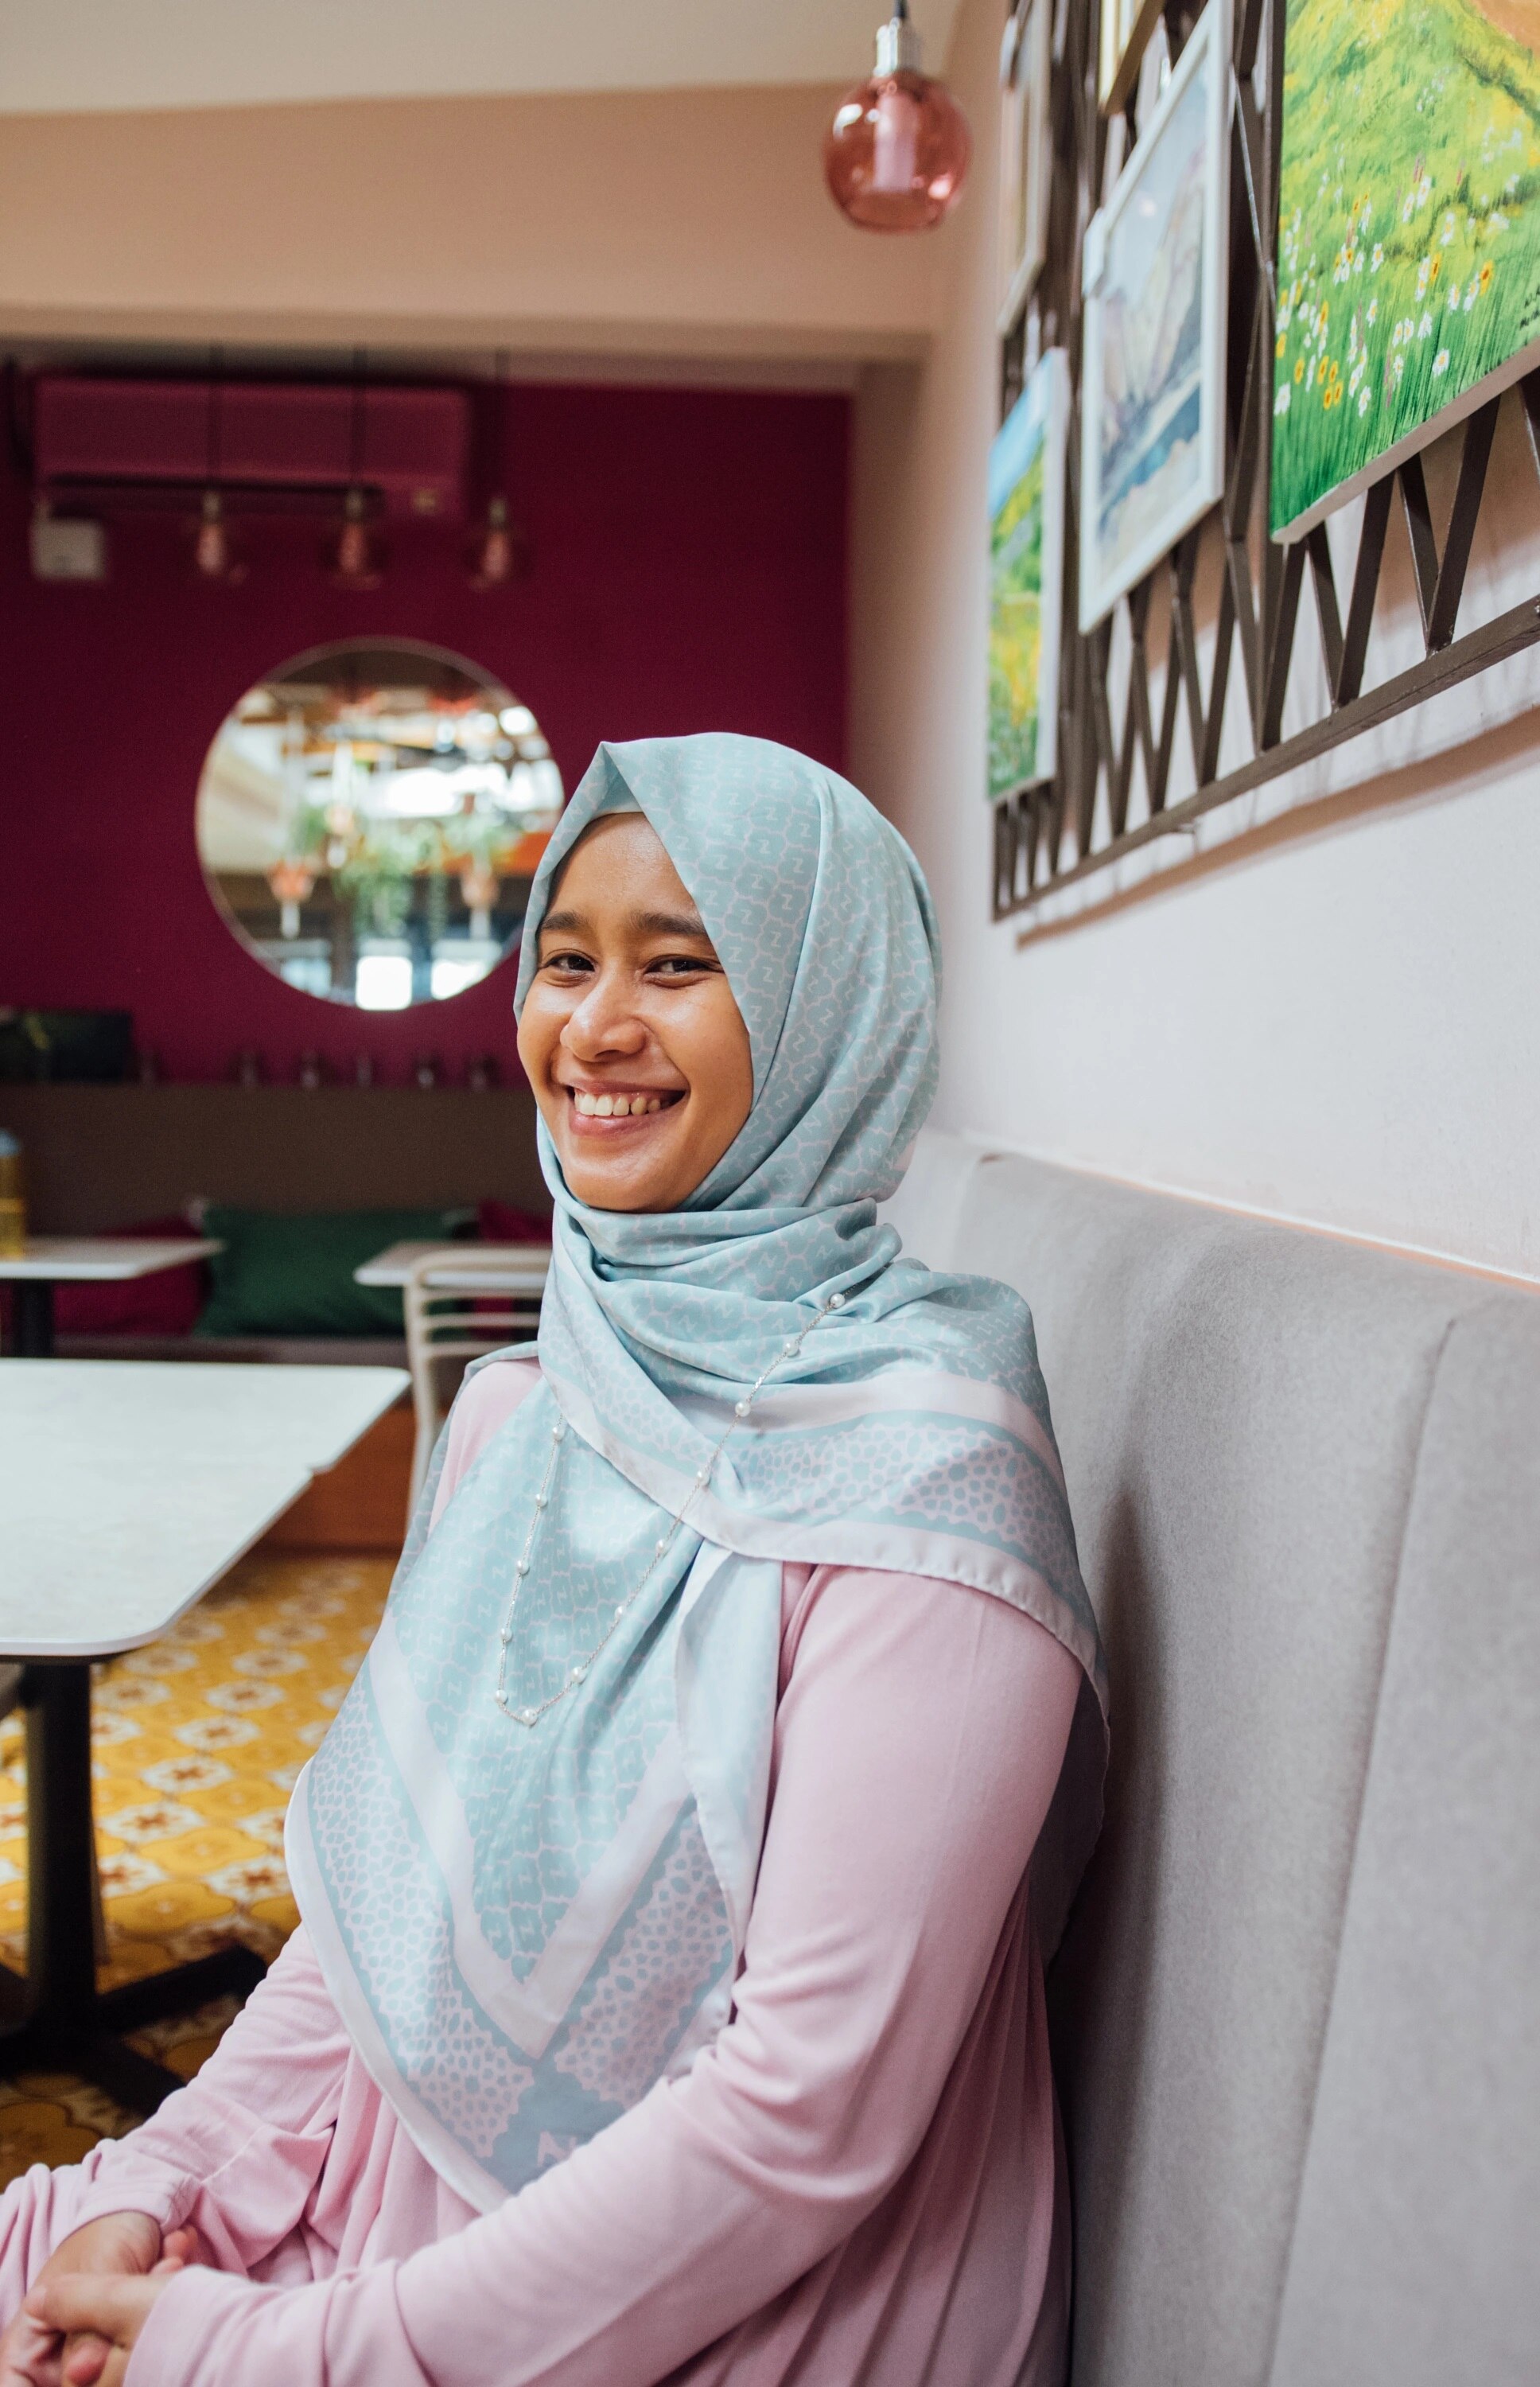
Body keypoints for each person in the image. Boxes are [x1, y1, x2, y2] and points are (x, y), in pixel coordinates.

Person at [0, 735, 1105, 2387]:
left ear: (832, 1010)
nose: (592, 1028)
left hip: (752, 2300)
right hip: (410, 2189)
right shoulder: (529, 1406)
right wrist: (169, 2180)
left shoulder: (927, 1489)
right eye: (566, 961)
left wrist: (293, 2350)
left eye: (680, 965)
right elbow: (378, 1912)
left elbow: (798, 2126)